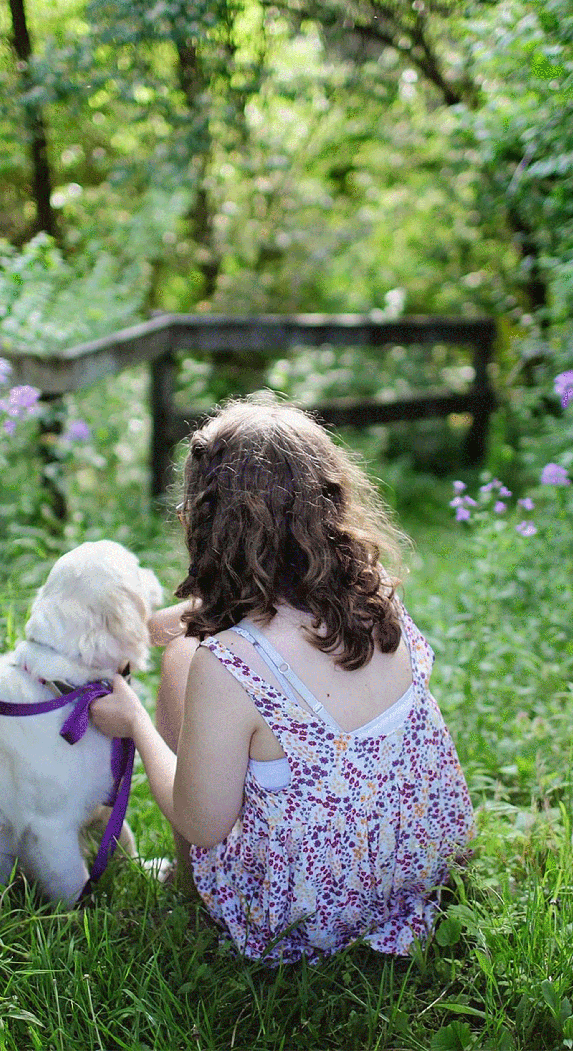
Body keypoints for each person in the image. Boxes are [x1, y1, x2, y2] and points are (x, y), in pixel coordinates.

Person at [91, 395, 474, 964]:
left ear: (201, 522)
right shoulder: (377, 598)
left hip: (304, 911)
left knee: (181, 659)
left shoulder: (225, 664)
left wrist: (137, 724)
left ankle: (187, 886)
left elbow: (203, 823)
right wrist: (163, 623)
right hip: (416, 866)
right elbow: (266, 621)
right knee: (186, 646)